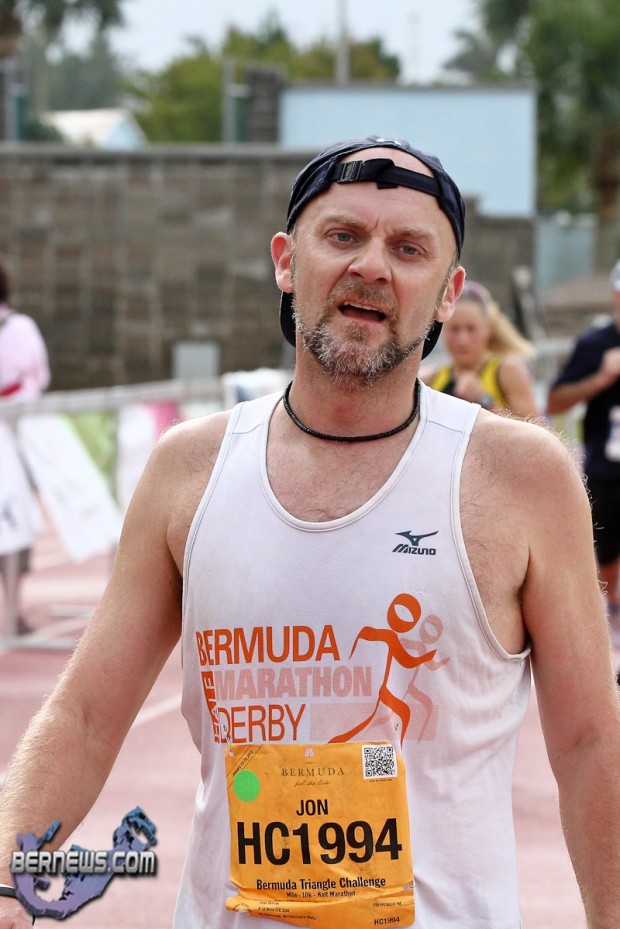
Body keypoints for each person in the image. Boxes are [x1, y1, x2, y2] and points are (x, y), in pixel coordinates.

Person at [0, 136, 619, 929]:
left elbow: (592, 744)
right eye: (343, 235)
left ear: (448, 294)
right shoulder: (188, 470)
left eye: (409, 248)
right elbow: (85, 714)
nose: (372, 265)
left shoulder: (521, 477)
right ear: (286, 262)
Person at [548, 261, 620, 648]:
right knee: (604, 554)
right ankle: (609, 615)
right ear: (615, 295)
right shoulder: (595, 345)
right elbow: (555, 401)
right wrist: (601, 378)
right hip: (606, 472)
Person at [0, 257, 50, 635]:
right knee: (16, 519)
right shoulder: (21, 327)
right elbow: (40, 377)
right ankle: (12, 609)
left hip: (14, 434)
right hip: (15, 435)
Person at [420, 279, 540, 418]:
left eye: (471, 329)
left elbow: (537, 427)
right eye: (454, 329)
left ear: (489, 329)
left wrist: (484, 400)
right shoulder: (429, 379)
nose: (462, 340)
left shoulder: (506, 370)